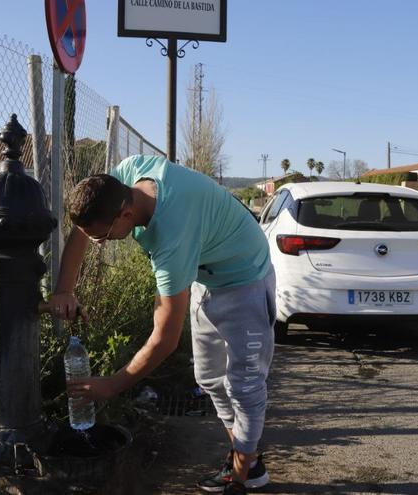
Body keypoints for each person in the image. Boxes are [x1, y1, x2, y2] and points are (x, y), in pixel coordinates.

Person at [45, 154, 275, 495]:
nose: (100, 244)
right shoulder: (129, 173)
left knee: (244, 385)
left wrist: (112, 384)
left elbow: (165, 340)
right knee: (210, 378)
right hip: (206, 274)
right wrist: (64, 288)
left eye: (104, 237)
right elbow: (83, 229)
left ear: (125, 215)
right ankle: (248, 459)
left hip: (246, 279)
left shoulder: (172, 237)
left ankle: (240, 479)